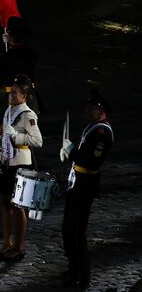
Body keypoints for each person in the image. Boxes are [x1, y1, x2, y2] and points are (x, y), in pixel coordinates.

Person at [60, 89, 114, 288]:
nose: (87, 111)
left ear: (100, 110)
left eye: (91, 108)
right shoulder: (93, 127)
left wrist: (71, 151)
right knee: (68, 229)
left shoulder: (102, 132)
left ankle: (81, 275)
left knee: (76, 231)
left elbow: (91, 161)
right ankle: (73, 268)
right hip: (78, 183)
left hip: (86, 186)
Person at [0, 74, 43, 262]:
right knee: (5, 203)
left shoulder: (28, 115)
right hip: (7, 162)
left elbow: (37, 141)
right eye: (10, 93)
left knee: (18, 205)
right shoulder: (7, 111)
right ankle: (7, 242)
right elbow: (5, 135)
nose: (11, 96)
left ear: (24, 96)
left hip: (21, 163)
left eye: (15, 93)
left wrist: (17, 137)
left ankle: (19, 247)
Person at [0, 16, 42, 114]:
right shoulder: (32, 54)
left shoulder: (5, 57)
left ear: (10, 36)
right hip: (30, 97)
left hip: (13, 98)